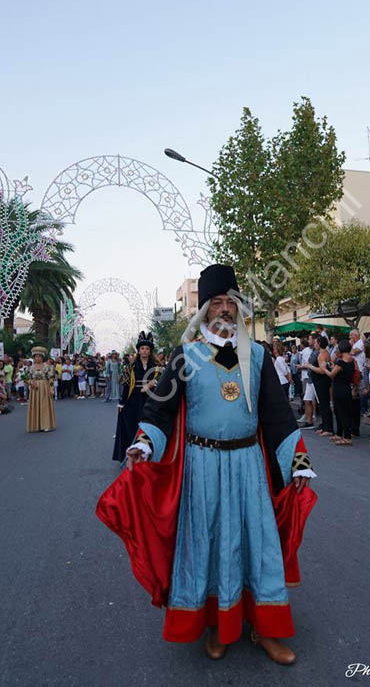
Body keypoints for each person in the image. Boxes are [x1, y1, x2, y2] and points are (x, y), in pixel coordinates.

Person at [97, 264, 317, 664]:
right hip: (202, 466)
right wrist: (143, 444)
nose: (224, 310)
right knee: (209, 543)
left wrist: (297, 462)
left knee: (259, 544)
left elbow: (277, 415)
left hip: (249, 464)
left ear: (238, 308)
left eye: (229, 302)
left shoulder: (260, 356)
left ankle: (265, 627)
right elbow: (160, 409)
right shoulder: (187, 355)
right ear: (203, 312)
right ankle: (217, 624)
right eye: (216, 303)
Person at [112, 332, 160, 463]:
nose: (144, 351)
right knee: (132, 425)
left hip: (150, 399)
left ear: (150, 351)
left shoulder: (156, 367)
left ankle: (149, 454)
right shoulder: (131, 368)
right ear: (139, 350)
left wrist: (152, 383)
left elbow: (162, 382)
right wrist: (121, 404)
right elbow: (127, 386)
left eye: (147, 349)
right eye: (142, 348)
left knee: (149, 425)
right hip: (134, 399)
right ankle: (132, 454)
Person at [326, 339, 355, 445]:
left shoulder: (341, 362)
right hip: (346, 387)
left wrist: (324, 368)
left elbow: (331, 374)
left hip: (339, 389)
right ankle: (339, 434)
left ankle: (346, 437)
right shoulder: (351, 360)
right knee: (341, 412)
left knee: (341, 413)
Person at [306, 335, 334, 436]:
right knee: (322, 404)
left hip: (322, 381)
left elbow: (322, 371)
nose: (314, 344)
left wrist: (310, 366)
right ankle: (324, 426)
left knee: (324, 404)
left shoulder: (322, 354)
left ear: (319, 344)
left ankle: (328, 428)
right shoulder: (324, 353)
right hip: (320, 381)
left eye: (316, 342)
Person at [26, 346, 56, 433]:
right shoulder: (30, 368)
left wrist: (51, 389)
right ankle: (35, 425)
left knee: (44, 405)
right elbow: (27, 378)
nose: (37, 358)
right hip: (34, 388)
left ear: (42, 357)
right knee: (35, 405)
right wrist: (30, 382)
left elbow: (51, 378)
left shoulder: (47, 366)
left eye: (39, 356)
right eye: (36, 356)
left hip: (44, 387)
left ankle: (46, 425)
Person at [297, 334, 317, 430]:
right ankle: (309, 422)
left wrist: (304, 366)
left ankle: (326, 426)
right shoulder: (312, 351)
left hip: (315, 379)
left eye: (310, 339)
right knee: (307, 399)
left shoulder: (318, 352)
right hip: (309, 378)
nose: (308, 341)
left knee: (320, 401)